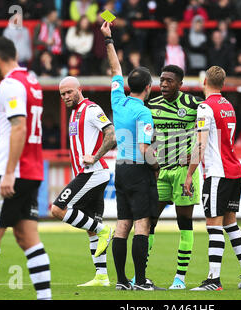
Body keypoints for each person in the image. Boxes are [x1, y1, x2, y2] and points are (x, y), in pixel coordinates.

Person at [0, 37, 51, 300]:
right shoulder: (31, 81)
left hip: (12, 172)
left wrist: (8, 173)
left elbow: (19, 128)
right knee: (27, 238)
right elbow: (9, 119)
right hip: (32, 172)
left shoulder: (11, 83)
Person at [101, 21, 164, 291]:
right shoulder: (144, 112)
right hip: (138, 169)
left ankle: (121, 281)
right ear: (149, 87)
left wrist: (108, 39)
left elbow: (116, 68)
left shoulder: (118, 100)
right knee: (141, 223)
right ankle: (140, 281)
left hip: (120, 168)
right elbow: (143, 149)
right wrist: (156, 165)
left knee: (121, 224)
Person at [184, 66, 241, 291]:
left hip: (217, 173)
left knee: (213, 226)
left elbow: (201, 145)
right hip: (235, 171)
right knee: (230, 224)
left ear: (204, 81)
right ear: (223, 84)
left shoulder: (205, 107)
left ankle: (213, 280)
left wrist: (189, 174)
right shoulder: (228, 105)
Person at [50, 76, 115, 287]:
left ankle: (105, 230)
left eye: (69, 92)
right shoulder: (74, 114)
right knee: (91, 227)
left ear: (80, 89)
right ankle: (102, 276)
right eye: (62, 94)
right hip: (87, 174)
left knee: (57, 209)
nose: (66, 96)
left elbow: (111, 134)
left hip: (93, 173)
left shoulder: (91, 108)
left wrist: (95, 157)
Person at [144, 64, 203, 290]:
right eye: (162, 80)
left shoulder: (194, 104)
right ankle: (141, 275)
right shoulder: (152, 106)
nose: (164, 84)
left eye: (169, 81)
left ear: (180, 84)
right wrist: (152, 160)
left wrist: (195, 154)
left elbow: (208, 128)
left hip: (183, 173)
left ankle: (180, 278)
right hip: (161, 171)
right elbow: (148, 138)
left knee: (184, 223)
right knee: (149, 221)